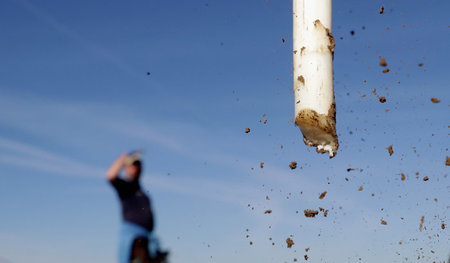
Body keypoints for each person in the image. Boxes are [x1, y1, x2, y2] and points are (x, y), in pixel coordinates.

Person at [106, 151, 154, 263]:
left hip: (146, 237)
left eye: (138, 164)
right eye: (133, 164)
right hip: (133, 237)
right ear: (126, 168)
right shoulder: (126, 186)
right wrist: (123, 157)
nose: (136, 166)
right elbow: (110, 175)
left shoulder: (140, 190)